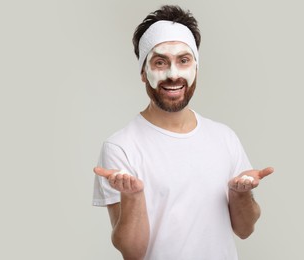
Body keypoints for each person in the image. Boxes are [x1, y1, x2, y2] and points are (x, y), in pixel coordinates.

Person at [92, 5, 274, 260]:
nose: (173, 74)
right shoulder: (120, 146)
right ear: (144, 73)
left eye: (183, 60)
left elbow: (244, 230)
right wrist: (132, 197)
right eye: (160, 62)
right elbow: (132, 252)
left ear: (196, 67)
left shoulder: (224, 137)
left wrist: (240, 195)